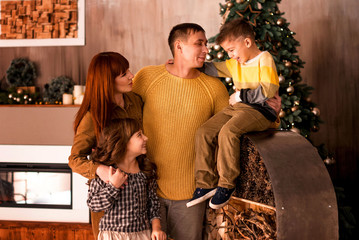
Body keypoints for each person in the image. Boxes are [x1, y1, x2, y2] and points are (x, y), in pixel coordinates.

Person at [132, 23, 230, 240]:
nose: (206, 49)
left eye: (206, 44)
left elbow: (232, 130)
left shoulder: (214, 88)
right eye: (199, 44)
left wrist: (271, 115)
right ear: (179, 46)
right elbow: (123, 117)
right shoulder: (147, 78)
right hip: (146, 191)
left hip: (192, 196)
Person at [186, 18, 280, 210]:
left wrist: (241, 96)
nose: (231, 55)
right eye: (228, 52)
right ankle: (205, 184)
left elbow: (268, 91)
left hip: (260, 110)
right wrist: (191, 61)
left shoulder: (264, 59)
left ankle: (226, 184)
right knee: (204, 131)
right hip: (238, 107)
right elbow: (213, 68)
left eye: (231, 50)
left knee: (228, 132)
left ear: (247, 42)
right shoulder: (235, 63)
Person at [68, 52, 143, 238]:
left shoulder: (135, 100)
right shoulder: (91, 117)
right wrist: (99, 169)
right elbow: (74, 159)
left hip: (137, 190)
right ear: (108, 81)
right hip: (109, 198)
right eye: (124, 74)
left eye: (128, 71)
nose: (132, 75)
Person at [87, 118, 166, 240]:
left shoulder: (145, 171)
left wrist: (156, 228)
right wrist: (113, 186)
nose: (146, 138)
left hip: (142, 234)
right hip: (113, 235)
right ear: (123, 142)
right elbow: (93, 204)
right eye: (139, 135)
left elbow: (153, 204)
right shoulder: (106, 172)